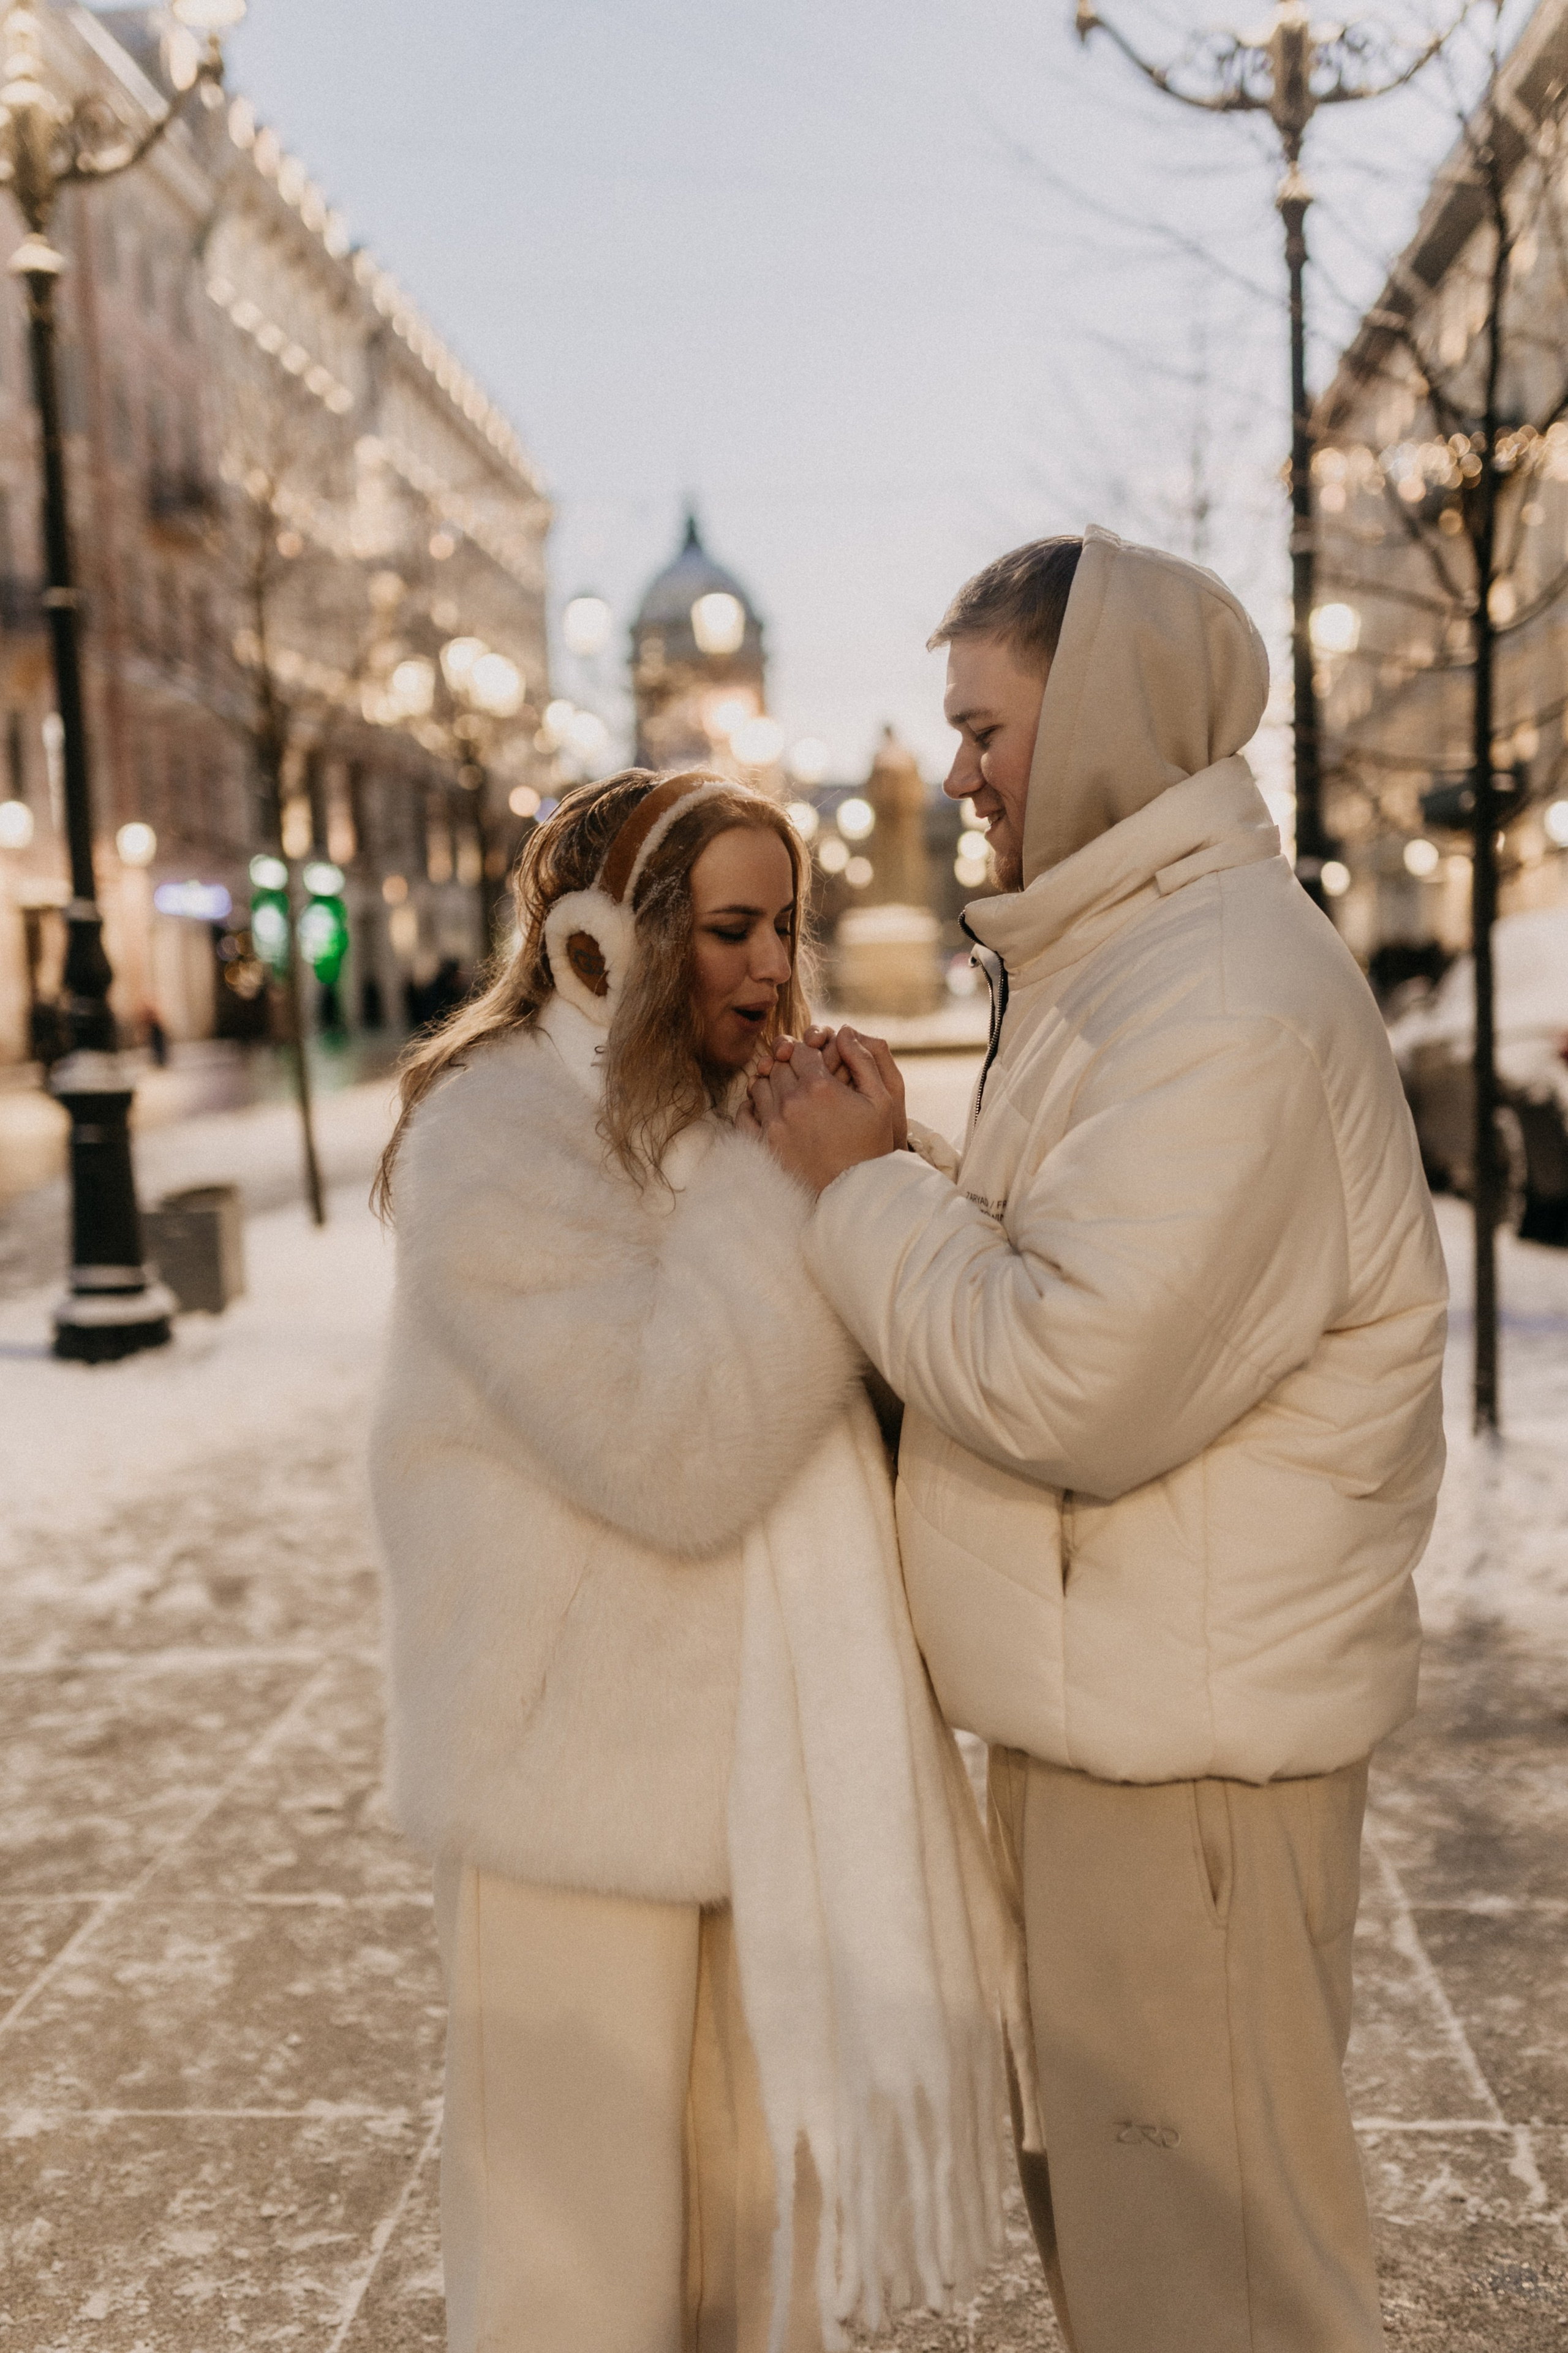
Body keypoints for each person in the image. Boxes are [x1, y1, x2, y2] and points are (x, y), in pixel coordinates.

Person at [747, 527, 1449, 2353]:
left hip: (1185, 1760)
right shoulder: (1135, 967)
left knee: (1222, 2289)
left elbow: (1076, 1378)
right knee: (1149, 2271)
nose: (959, 770)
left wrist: (855, 1197)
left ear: (1113, 710)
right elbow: (1091, 1275)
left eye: (987, 725)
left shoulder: (1221, 1000)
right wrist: (914, 1172)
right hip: (1118, 1723)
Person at [369, 768, 1031, 2353]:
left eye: (784, 926)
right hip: (565, 1794)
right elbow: (668, 1446)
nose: (768, 964)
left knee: (759, 2260)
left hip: (760, 1784)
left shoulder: (732, 1118)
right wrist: (801, 1189)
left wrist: (880, 1181)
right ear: (608, 941)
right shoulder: (496, 1135)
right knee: (572, 2274)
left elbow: (915, 1360)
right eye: (729, 927)